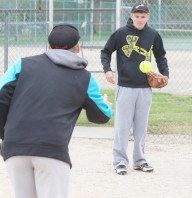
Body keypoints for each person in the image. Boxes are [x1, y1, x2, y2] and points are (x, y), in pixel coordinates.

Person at [0, 24, 113, 198]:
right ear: (77, 48)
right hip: (51, 150)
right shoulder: (84, 77)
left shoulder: (22, 65)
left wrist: (6, 135)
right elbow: (102, 116)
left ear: (48, 46)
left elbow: (1, 97)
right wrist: (106, 105)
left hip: (15, 147)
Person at [101, 2, 169, 175]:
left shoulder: (153, 35)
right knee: (122, 126)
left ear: (148, 17)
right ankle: (120, 161)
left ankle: (139, 160)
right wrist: (107, 70)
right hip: (125, 86)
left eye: (143, 16)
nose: (140, 19)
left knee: (141, 126)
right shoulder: (121, 33)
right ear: (131, 16)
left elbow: (160, 56)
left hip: (145, 87)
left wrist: (165, 73)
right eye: (137, 16)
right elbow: (106, 51)